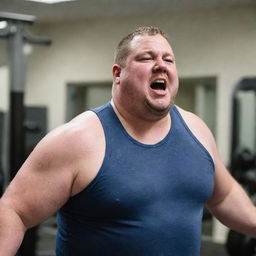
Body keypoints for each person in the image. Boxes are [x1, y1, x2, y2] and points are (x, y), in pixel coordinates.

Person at [0, 26, 256, 256]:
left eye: (168, 59)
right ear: (118, 73)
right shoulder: (77, 139)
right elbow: (14, 211)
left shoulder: (196, 129)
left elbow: (223, 196)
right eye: (147, 57)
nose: (161, 64)